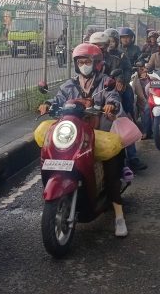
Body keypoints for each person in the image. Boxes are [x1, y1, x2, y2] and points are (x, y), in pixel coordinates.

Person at [37, 43, 129, 237]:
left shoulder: (105, 82)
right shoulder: (69, 85)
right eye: (80, 61)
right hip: (74, 134)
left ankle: (119, 215)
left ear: (96, 64)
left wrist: (111, 104)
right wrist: (47, 104)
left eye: (87, 61)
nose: (83, 65)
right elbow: (57, 100)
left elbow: (113, 96)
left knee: (111, 169)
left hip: (98, 133)